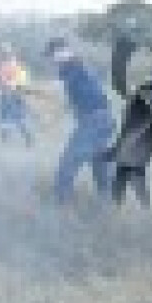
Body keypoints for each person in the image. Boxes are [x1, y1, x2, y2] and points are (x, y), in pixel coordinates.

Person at [44, 37, 115, 204]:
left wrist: (20, 87)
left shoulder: (74, 67)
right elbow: (67, 100)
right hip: (104, 119)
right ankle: (108, 203)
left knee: (68, 162)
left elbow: (54, 90)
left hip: (94, 121)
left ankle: (60, 203)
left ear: (62, 52)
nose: (51, 60)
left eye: (52, 55)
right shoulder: (75, 68)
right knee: (99, 164)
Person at [0, 43, 34, 146]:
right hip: (9, 94)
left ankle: (26, 138)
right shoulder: (10, 65)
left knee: (11, 117)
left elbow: (20, 80)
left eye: (3, 53)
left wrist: (7, 83)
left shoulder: (11, 65)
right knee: (7, 118)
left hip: (12, 94)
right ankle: (7, 141)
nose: (2, 55)